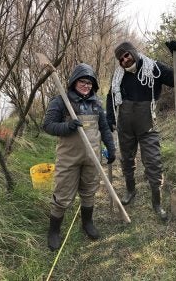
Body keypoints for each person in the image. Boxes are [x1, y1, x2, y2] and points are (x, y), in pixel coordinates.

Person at [106, 40, 176, 221]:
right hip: (125, 125)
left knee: (153, 163)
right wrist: (110, 117)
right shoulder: (118, 75)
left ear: (133, 52)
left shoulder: (154, 68)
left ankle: (157, 203)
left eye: (127, 54)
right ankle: (130, 190)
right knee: (126, 159)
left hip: (148, 125)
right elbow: (110, 95)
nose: (125, 60)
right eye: (121, 58)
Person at [43, 63, 116, 251]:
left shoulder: (97, 103)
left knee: (89, 191)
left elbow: (105, 128)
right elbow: (48, 125)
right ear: (74, 81)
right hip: (68, 158)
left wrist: (111, 147)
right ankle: (53, 232)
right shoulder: (60, 101)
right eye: (82, 81)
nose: (86, 85)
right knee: (62, 195)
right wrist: (66, 127)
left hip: (92, 158)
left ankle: (87, 223)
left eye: (90, 83)